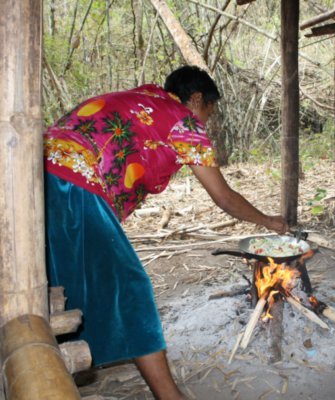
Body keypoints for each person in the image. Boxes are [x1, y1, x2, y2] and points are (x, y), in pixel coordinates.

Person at [43, 65, 288, 399]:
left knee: (64, 285)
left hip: (38, 171)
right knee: (130, 289)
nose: (204, 124)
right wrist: (270, 221)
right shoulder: (181, 120)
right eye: (207, 113)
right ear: (197, 97)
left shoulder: (142, 100)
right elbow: (225, 197)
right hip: (73, 180)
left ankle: (51, 376)